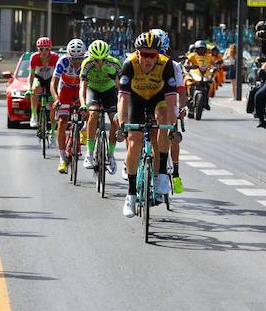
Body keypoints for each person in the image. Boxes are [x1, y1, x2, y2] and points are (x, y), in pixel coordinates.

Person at [117, 32, 178, 218]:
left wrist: (171, 125)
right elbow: (123, 98)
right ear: (138, 53)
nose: (149, 59)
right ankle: (131, 194)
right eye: (145, 55)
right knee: (135, 143)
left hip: (158, 99)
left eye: (153, 55)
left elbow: (171, 99)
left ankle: (160, 174)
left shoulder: (166, 64)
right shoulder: (129, 64)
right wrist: (122, 125)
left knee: (163, 118)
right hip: (136, 99)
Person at [150, 29, 187, 194]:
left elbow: (181, 90)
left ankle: (176, 174)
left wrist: (182, 108)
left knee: (172, 137)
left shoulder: (174, 66)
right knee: (151, 142)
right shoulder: (143, 62)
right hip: (149, 102)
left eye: (161, 52)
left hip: (167, 102)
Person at [80, 40, 123, 173]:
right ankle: (90, 153)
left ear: (107, 57)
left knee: (115, 119)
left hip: (109, 91)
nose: (99, 63)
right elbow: (83, 86)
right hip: (93, 90)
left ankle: (110, 155)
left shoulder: (115, 63)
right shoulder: (86, 64)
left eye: (102, 60)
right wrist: (83, 104)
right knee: (93, 113)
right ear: (91, 57)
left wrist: (114, 77)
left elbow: (121, 88)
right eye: (96, 60)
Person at [52, 38, 86, 174]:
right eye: (74, 59)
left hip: (80, 90)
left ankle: (81, 131)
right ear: (68, 56)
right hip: (65, 91)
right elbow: (53, 83)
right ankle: (62, 158)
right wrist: (56, 99)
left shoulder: (87, 62)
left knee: (89, 111)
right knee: (62, 122)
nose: (77, 62)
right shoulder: (62, 61)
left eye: (80, 59)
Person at [27, 37, 59, 132]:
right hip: (39, 78)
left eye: (47, 49)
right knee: (35, 87)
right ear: (38, 49)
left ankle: (52, 131)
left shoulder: (55, 57)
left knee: (53, 104)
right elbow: (31, 75)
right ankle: (34, 115)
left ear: (50, 49)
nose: (44, 51)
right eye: (41, 49)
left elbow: (58, 77)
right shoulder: (34, 57)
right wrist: (29, 88)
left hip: (50, 79)